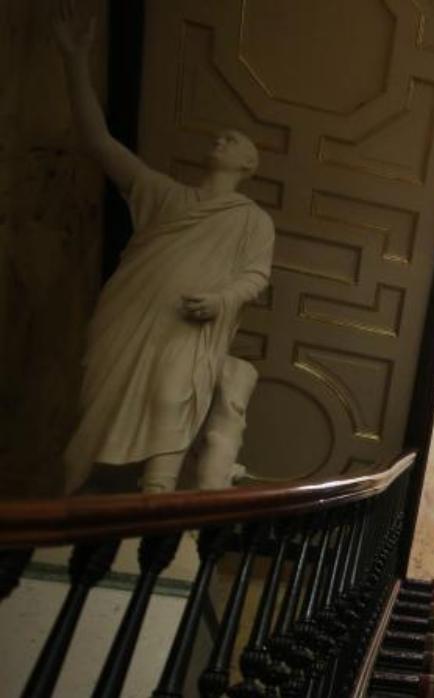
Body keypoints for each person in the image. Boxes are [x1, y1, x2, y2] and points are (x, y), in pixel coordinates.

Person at [54, 1, 274, 494]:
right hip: (130, 311)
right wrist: (75, 60)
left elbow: (255, 276)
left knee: (174, 396)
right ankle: (65, 502)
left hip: (191, 326)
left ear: (249, 163)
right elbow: (99, 142)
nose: (221, 139)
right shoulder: (165, 195)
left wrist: (219, 301)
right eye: (220, 135)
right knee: (95, 407)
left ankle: (157, 499)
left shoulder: (251, 220)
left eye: (232, 139)